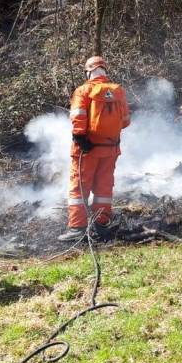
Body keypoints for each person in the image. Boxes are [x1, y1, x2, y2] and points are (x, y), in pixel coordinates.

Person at [59, 55, 131, 242]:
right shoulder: (119, 92)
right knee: (104, 188)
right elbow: (125, 122)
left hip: (86, 149)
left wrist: (81, 139)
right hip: (110, 149)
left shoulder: (82, 91)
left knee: (79, 188)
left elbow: (78, 118)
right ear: (104, 71)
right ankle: (102, 224)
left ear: (89, 71)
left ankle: (77, 228)